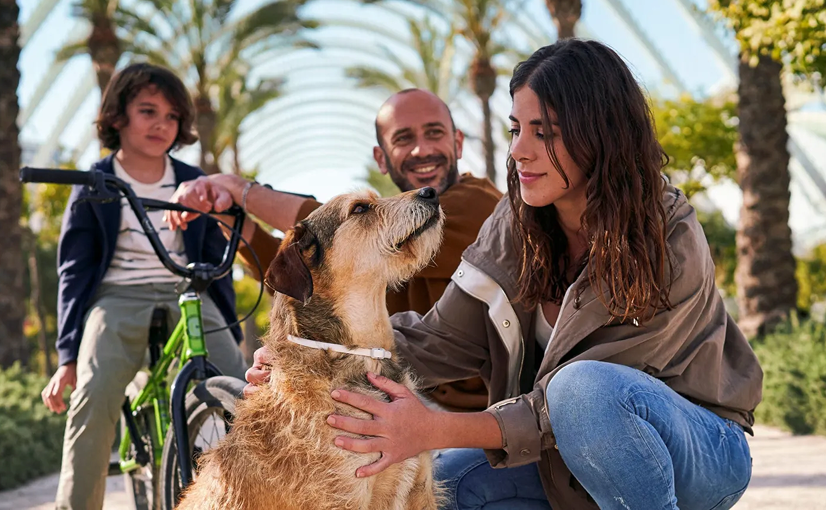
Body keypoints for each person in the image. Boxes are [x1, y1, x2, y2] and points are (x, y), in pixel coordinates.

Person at [246, 40, 762, 510]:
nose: (518, 151)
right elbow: (439, 339)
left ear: (601, 135)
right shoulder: (516, 223)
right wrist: (307, 359)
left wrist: (434, 428)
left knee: (582, 391)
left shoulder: (667, 235)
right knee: (441, 488)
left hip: (696, 450)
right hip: (565, 462)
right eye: (517, 129)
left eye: (546, 133)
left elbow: (578, 409)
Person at [167, 88, 502, 409]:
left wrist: (241, 190)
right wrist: (226, 213)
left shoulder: (479, 205)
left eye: (434, 133)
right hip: (395, 393)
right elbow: (311, 270)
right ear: (380, 158)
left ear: (458, 143)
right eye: (403, 139)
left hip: (483, 417)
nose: (420, 149)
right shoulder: (388, 233)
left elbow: (325, 235)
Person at [42, 63, 248, 510]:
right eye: (148, 111)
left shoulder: (194, 181)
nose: (161, 124)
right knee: (93, 397)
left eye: (172, 116)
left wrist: (231, 328)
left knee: (243, 388)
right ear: (118, 117)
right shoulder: (94, 184)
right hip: (117, 297)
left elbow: (216, 262)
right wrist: (68, 357)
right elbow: (74, 273)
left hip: (186, 291)